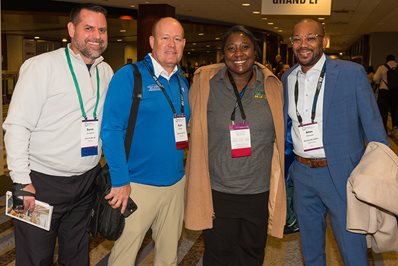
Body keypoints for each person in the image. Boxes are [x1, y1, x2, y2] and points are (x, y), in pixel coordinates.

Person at [3, 4, 113, 265]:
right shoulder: (40, 66)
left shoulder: (105, 71)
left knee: (76, 256)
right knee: (34, 258)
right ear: (71, 29)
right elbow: (17, 126)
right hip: (40, 184)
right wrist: (21, 182)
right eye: (89, 28)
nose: (97, 35)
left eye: (102, 30)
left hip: (86, 182)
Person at [282, 19, 388, 265]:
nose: (303, 44)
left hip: (342, 174)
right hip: (302, 174)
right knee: (310, 247)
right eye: (297, 39)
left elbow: (374, 128)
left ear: (323, 40)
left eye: (311, 37)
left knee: (352, 248)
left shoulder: (351, 74)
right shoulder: (287, 78)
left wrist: (380, 177)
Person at [184, 25, 286, 266]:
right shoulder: (206, 84)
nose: (238, 54)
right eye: (231, 48)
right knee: (219, 254)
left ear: (255, 52)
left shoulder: (272, 86)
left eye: (244, 47)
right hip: (218, 190)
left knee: (252, 253)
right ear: (223, 54)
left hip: (258, 191)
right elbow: (189, 126)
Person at [101, 17, 190, 265]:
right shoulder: (130, 76)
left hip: (175, 185)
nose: (171, 44)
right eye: (165, 38)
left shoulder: (183, 83)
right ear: (152, 41)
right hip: (135, 186)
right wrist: (120, 181)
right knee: (124, 257)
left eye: (177, 39)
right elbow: (111, 130)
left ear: (183, 44)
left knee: (168, 257)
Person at [374, 54, 398, 135]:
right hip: (395, 92)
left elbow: (375, 79)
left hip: (384, 92)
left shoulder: (382, 67)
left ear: (386, 60)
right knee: (394, 109)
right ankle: (395, 126)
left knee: (383, 111)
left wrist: (380, 82)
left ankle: (385, 129)